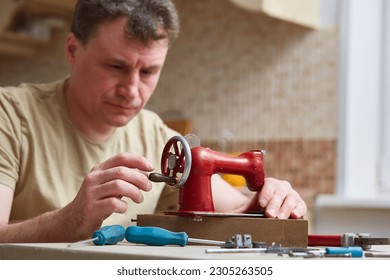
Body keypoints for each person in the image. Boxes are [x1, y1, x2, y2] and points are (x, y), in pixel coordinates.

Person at [0, 0, 306, 243]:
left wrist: (270, 202)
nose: (131, 90)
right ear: (72, 50)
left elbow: (238, 209)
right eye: (115, 66)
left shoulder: (156, 136)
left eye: (147, 72)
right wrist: (69, 220)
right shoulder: (10, 115)